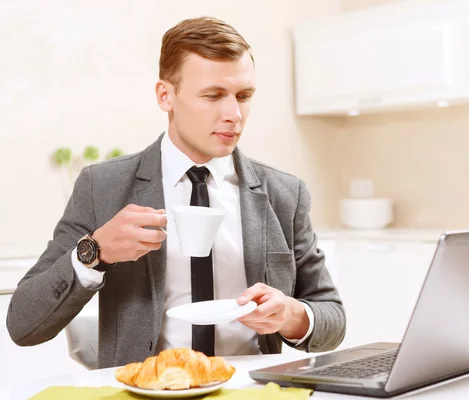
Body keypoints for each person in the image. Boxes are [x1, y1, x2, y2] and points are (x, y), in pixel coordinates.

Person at [6, 16, 345, 368]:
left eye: (243, 96)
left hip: (250, 389)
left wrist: (291, 315)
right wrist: (96, 251)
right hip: (150, 388)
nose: (234, 114)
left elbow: (332, 318)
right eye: (213, 96)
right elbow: (22, 325)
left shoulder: (283, 192)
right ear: (165, 96)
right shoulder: (102, 187)